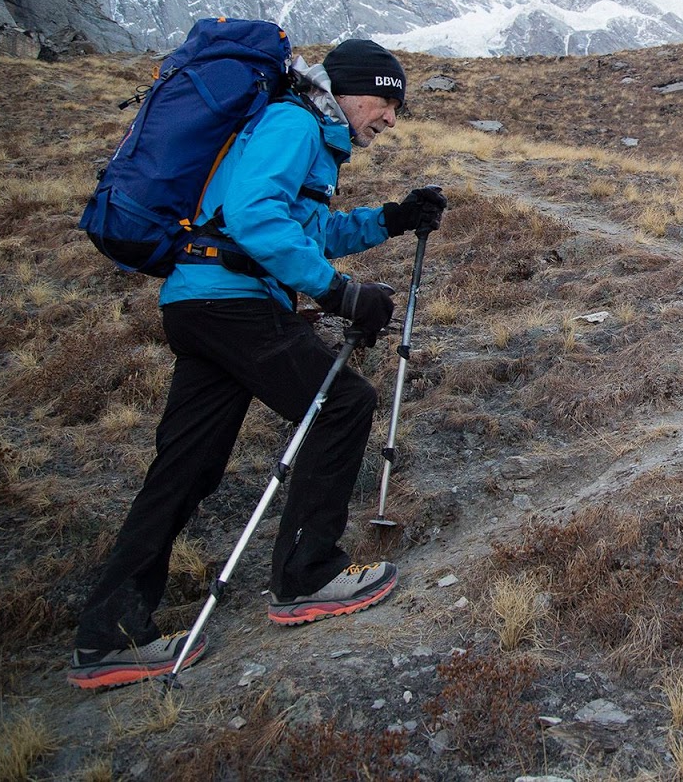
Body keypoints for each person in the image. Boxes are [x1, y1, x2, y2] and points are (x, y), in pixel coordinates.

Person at [68, 39, 447, 690]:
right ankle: (308, 578)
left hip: (201, 300)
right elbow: (252, 218)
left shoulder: (305, 129)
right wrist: (338, 293)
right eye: (386, 101)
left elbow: (303, 232)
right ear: (354, 90)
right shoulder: (296, 121)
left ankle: (110, 636)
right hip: (232, 301)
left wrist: (390, 218)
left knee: (186, 467)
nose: (390, 118)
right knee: (343, 403)